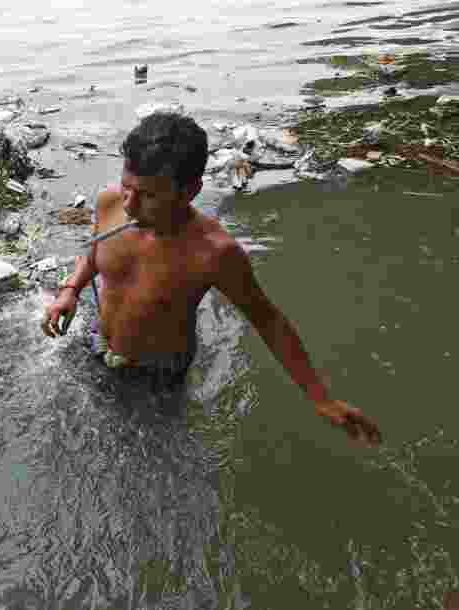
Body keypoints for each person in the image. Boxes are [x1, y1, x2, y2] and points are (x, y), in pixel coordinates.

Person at [42, 112, 383, 446]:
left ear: (189, 191)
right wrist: (70, 290)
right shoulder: (109, 203)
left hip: (159, 370)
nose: (130, 206)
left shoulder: (214, 253)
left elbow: (268, 320)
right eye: (127, 187)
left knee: (152, 447)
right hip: (97, 341)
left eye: (147, 196)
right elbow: (94, 253)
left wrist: (319, 397)